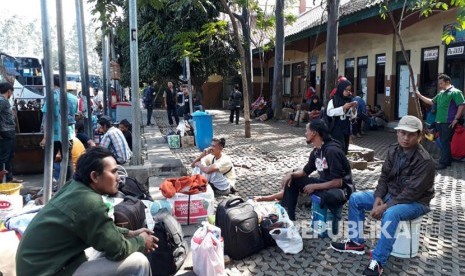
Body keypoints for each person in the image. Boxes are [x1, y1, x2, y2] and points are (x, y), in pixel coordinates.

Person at [16, 147, 157, 276]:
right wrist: (141, 242)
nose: (118, 177)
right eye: (113, 172)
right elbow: (118, 250)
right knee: (139, 261)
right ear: (95, 176)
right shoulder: (90, 203)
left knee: (103, 248)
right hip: (49, 271)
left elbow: (103, 234)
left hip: (50, 265)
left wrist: (129, 233)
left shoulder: (73, 187)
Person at [330, 115, 435, 276]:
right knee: (356, 198)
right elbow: (384, 177)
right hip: (391, 195)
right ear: (397, 133)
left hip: (416, 202)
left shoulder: (425, 161)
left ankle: (378, 261)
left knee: (392, 213)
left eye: (411, 134)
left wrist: (384, 206)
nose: (406, 138)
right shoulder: (393, 149)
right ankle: (355, 242)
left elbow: (412, 192)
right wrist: (378, 197)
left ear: (419, 136)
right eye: (402, 133)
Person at [279, 119, 354, 221]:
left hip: (340, 190)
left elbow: (338, 182)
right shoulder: (316, 152)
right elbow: (305, 172)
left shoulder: (332, 151)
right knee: (293, 181)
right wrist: (291, 174)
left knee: (329, 196)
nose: (306, 134)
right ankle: (289, 218)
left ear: (314, 133)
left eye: (307, 131)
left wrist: (314, 186)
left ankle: (327, 215)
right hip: (325, 185)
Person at [416, 73, 465, 170]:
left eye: (441, 83)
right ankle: (448, 159)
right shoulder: (441, 93)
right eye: (439, 83)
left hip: (449, 122)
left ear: (448, 82)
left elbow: (461, 105)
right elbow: (431, 101)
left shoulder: (456, 92)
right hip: (439, 122)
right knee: (443, 141)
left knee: (445, 142)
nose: (440, 85)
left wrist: (456, 119)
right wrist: (419, 95)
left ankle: (444, 162)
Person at [40, 75, 77, 181]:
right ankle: (69, 183)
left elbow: (46, 119)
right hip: (68, 134)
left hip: (54, 135)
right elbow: (73, 116)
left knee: (49, 159)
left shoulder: (52, 98)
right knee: (67, 158)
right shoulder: (73, 98)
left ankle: (49, 184)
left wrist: (45, 136)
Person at [326, 80, 357, 154]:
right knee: (338, 149)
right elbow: (329, 112)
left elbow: (352, 116)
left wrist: (353, 108)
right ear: (341, 89)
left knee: (345, 149)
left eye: (349, 90)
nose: (348, 92)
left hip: (346, 128)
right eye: (346, 90)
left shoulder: (350, 99)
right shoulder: (334, 100)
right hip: (336, 128)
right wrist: (343, 108)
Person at [0, 82, 22, 183]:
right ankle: (3, 180)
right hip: (6, 132)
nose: (11, 95)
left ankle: (9, 178)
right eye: (12, 92)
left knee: (8, 156)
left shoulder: (4, 101)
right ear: (9, 91)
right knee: (5, 157)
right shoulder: (3, 101)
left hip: (8, 132)